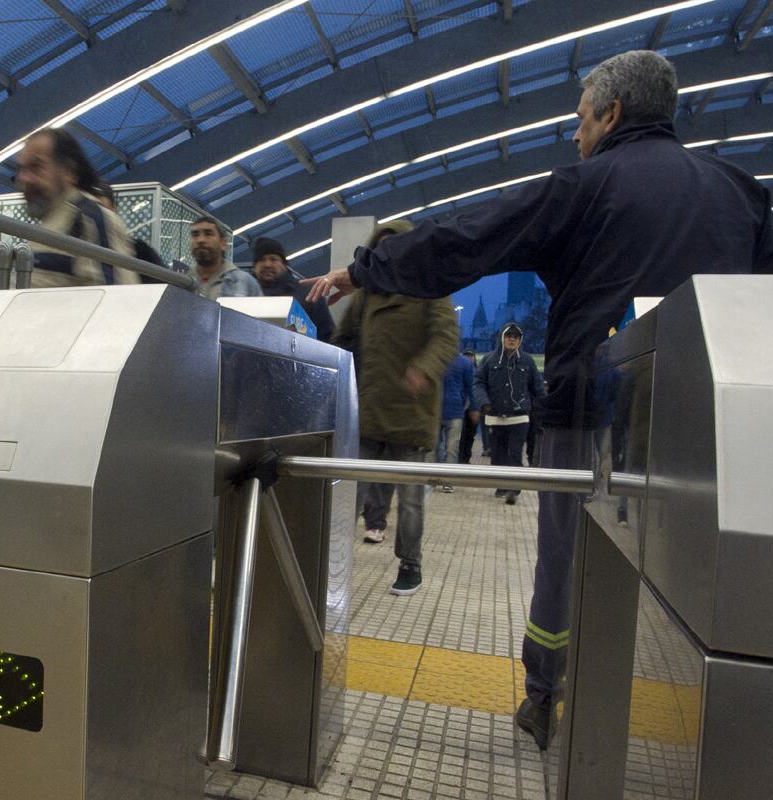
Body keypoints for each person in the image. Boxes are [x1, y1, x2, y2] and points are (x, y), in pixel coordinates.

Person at [303, 50, 773, 749]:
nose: (575, 137)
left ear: (611, 115)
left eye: (580, 121)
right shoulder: (742, 193)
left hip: (593, 408)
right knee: (715, 566)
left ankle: (547, 694)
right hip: (720, 427)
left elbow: (471, 239)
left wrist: (366, 269)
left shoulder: (588, 186)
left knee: (570, 558)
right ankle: (721, 718)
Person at [332, 220, 457, 596]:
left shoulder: (431, 290)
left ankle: (410, 564)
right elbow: (343, 340)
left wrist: (424, 367)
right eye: (382, 247)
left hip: (412, 414)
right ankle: (333, 557)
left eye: (397, 246)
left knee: (411, 501)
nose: (389, 253)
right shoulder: (367, 294)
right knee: (348, 492)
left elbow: (446, 336)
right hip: (369, 412)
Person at [16, 128, 138, 287]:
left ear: (69, 172)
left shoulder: (91, 219)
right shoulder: (50, 224)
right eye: (21, 169)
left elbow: (115, 300)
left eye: (36, 166)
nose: (23, 179)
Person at [473, 323, 543, 504]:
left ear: (520, 341)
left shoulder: (527, 361)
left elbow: (537, 387)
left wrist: (542, 408)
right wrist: (484, 402)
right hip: (495, 415)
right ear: (502, 338)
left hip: (519, 416)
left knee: (514, 452)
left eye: (516, 337)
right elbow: (478, 383)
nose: (512, 339)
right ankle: (501, 485)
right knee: (497, 454)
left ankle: (514, 488)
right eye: (509, 336)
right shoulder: (489, 360)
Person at [250, 236, 335, 341]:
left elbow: (328, 335)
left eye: (273, 259)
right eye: (261, 260)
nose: (267, 264)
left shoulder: (308, 294)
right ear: (255, 266)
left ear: (284, 265)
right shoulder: (246, 296)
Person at [188, 216, 261, 299]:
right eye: (195, 234)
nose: (200, 240)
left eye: (208, 234)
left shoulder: (245, 282)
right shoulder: (181, 281)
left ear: (223, 244)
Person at [436, 349, 475, 490]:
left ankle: (437, 478)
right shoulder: (465, 362)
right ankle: (446, 480)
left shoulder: (435, 359)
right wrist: (471, 406)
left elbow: (470, 387)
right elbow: (470, 387)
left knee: (439, 448)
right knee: (451, 448)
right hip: (454, 411)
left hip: (439, 411)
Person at [457, 350, 481, 464]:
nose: (469, 358)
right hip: (461, 407)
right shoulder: (461, 370)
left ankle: (466, 458)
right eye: (467, 356)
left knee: (470, 435)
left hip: (473, 407)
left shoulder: (478, 372)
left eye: (471, 355)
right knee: (462, 436)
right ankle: (461, 459)